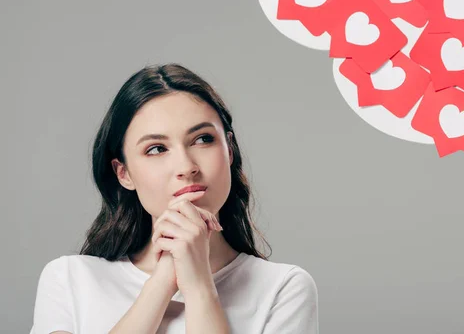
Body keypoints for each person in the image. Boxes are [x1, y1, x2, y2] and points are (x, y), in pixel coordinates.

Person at [30, 64, 319, 334]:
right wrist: (162, 281)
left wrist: (199, 286)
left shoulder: (284, 288)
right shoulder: (70, 280)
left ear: (229, 150)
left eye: (203, 139)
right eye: (156, 149)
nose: (186, 167)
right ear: (124, 173)